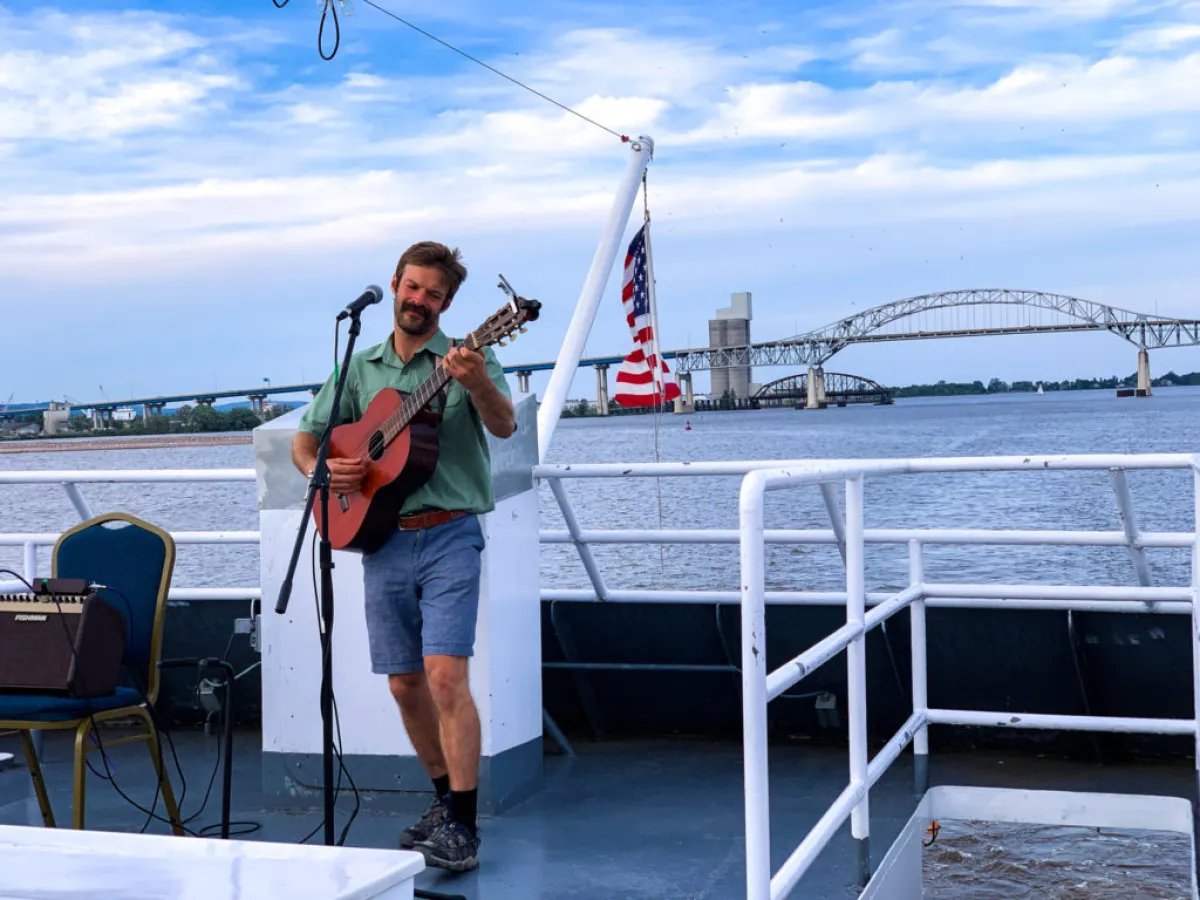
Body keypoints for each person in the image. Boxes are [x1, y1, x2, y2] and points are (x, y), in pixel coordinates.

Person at [290, 240, 515, 872]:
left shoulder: (470, 357)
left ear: (449, 303)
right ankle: (445, 803)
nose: (420, 301)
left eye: (433, 294)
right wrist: (326, 472)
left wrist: (478, 386)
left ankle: (464, 829)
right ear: (394, 285)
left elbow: (503, 427)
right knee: (404, 683)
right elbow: (306, 440)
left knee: (446, 677)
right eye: (412, 288)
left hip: (450, 533)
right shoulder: (361, 367)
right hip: (382, 538)